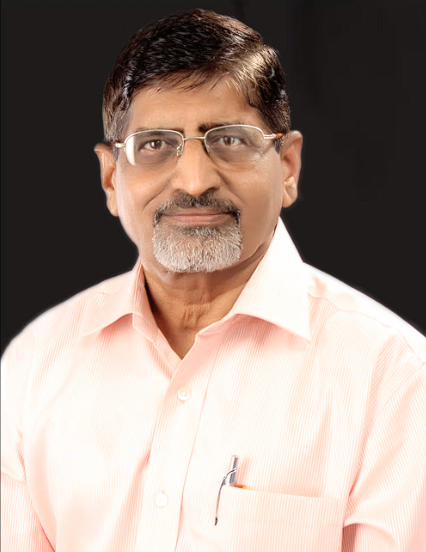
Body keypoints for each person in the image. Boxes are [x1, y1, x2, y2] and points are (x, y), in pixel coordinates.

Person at [1, 8, 425, 552]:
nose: (195, 180)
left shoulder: (394, 379)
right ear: (110, 178)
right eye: (156, 144)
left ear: (288, 167)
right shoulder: (34, 364)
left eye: (229, 140)